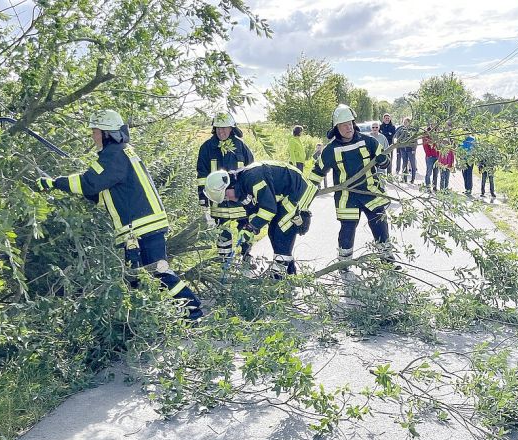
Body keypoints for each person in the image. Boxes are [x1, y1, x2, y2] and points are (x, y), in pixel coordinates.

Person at [37, 109, 203, 319]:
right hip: (141, 227)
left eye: (95, 131)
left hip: (141, 228)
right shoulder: (122, 152)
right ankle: (146, 319)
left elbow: (88, 183)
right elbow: (103, 192)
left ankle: (192, 311)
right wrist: (86, 191)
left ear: (107, 133)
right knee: (136, 277)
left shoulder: (113, 155)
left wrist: (54, 182)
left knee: (157, 271)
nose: (93, 135)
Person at [307, 104, 394, 267]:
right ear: (336, 128)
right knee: (347, 230)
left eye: (350, 123)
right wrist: (307, 195)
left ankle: (387, 259)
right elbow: (316, 173)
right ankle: (344, 262)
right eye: (343, 125)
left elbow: (385, 162)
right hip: (346, 197)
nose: (348, 128)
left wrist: (383, 161)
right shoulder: (330, 150)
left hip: (370, 192)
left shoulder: (369, 141)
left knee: (380, 224)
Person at [204, 161, 317, 278]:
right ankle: (289, 272)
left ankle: (278, 277)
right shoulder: (241, 188)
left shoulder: (253, 179)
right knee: (272, 231)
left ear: (229, 186)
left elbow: (269, 209)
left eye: (226, 196)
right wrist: (249, 229)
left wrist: (251, 227)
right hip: (283, 196)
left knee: (281, 229)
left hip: (298, 190)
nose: (229, 200)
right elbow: (253, 211)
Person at [195, 112, 255, 264]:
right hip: (218, 198)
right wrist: (203, 196)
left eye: (225, 128)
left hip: (240, 197)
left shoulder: (241, 146)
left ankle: (247, 255)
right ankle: (225, 260)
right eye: (218, 128)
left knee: (246, 226)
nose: (221, 132)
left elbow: (252, 169)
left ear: (231, 128)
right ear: (214, 129)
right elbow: (202, 173)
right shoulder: (207, 148)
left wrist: (252, 192)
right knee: (222, 230)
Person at [393, 117, 418, 184]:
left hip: (410, 149)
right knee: (404, 164)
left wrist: (414, 149)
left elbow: (415, 141)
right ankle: (404, 178)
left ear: (409, 122)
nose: (405, 123)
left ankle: (413, 179)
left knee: (412, 164)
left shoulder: (412, 130)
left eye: (406, 122)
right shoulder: (401, 129)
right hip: (403, 149)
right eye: (404, 122)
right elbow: (397, 138)